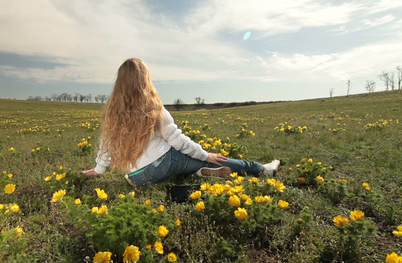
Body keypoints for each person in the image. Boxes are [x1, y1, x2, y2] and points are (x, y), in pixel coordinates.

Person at [82, 58, 280, 187]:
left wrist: (99, 169)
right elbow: (177, 140)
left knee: (192, 162)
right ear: (145, 80)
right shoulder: (153, 107)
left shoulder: (112, 112)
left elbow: (105, 143)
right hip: (163, 163)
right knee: (208, 158)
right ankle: (262, 169)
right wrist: (207, 154)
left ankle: (203, 171)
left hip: (137, 178)